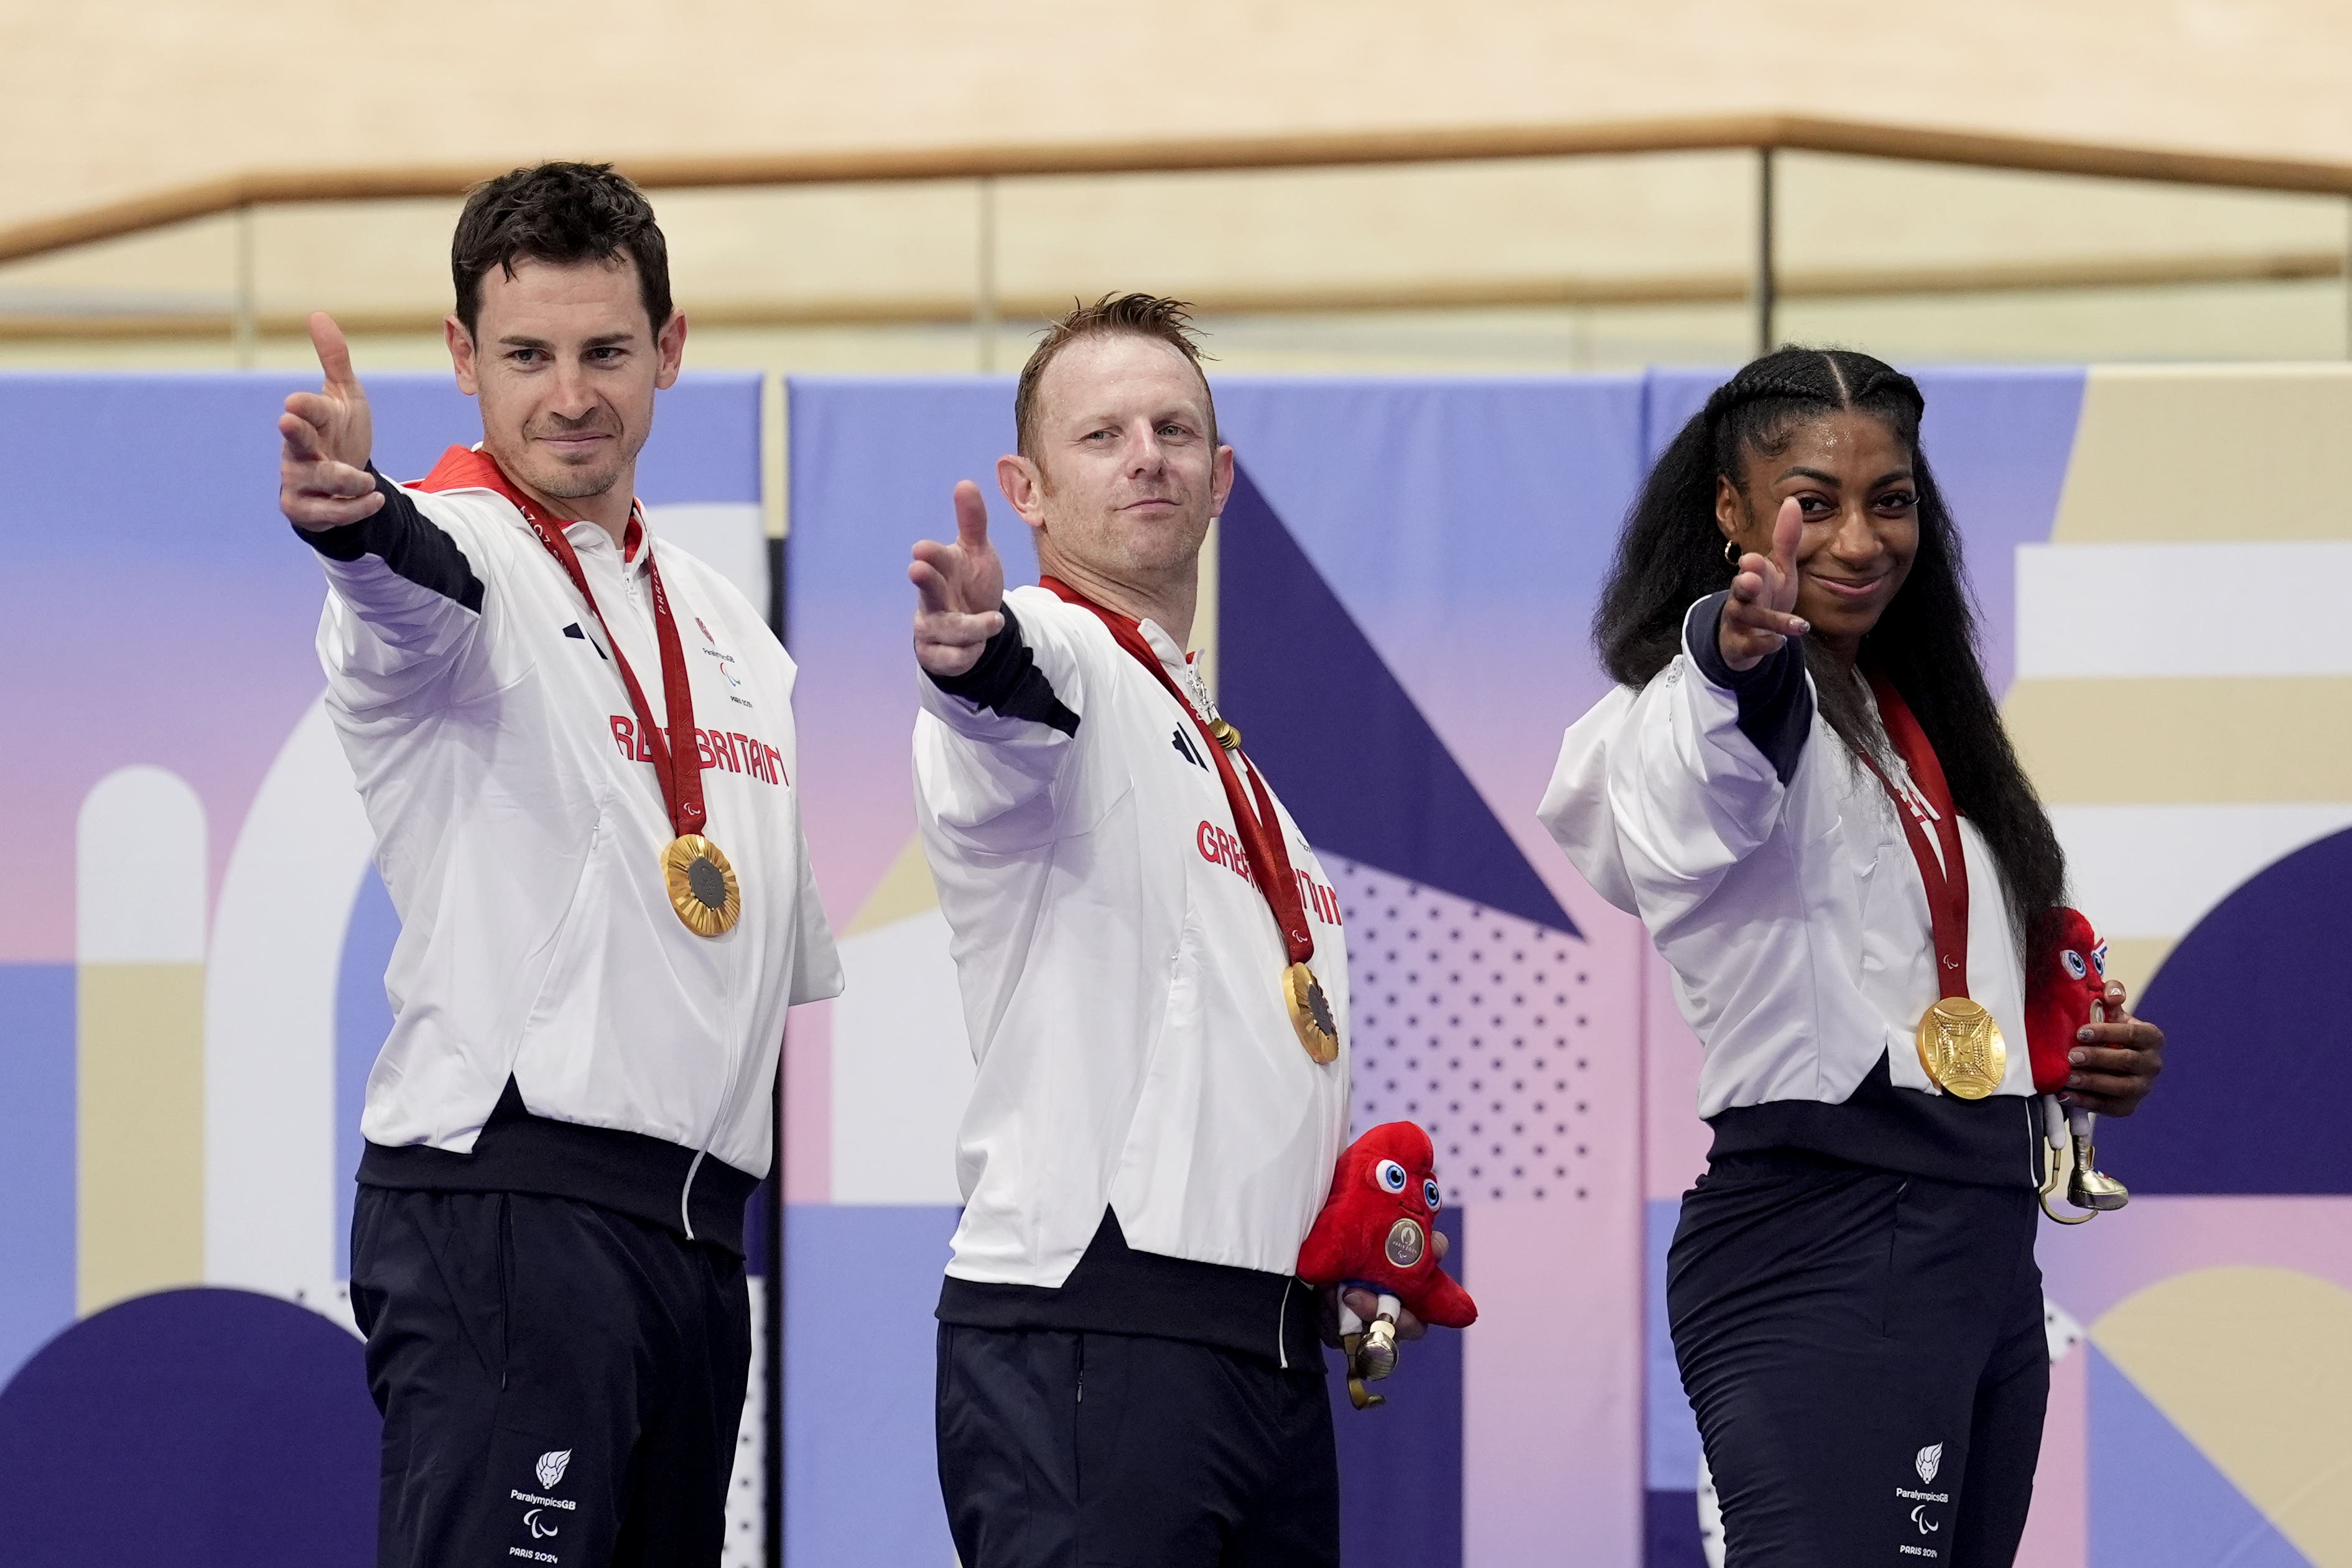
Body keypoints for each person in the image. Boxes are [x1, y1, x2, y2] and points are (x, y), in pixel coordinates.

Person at [276, 160, 841, 1568]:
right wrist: (355, 518)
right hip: (515, 1214)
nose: (571, 392)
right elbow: (408, 589)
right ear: (463, 359)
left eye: (606, 350)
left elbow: (759, 948)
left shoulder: (720, 624)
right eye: (526, 354)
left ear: (671, 348)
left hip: (699, 1241)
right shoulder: (460, 548)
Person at [1538, 348, 2164, 1566]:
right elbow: (1699, 790)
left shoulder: (1912, 726)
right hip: (1824, 1236)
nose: (1859, 538)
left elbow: (1929, 980)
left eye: (1891, 500)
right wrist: (1731, 655)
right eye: (1811, 501)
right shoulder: (1710, 700)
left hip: (1979, 1244)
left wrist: (2070, 1066)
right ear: (1731, 510)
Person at [906, 294, 1421, 1567]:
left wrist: (1315, 1205)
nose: (1146, 454)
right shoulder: (1062, 661)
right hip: (1091, 1330)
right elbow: (1005, 699)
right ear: (1026, 488)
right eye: (1103, 435)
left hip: (1262, 1345)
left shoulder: (1227, 760)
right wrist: (976, 654)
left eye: (1173, 428)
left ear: (1220, 475)